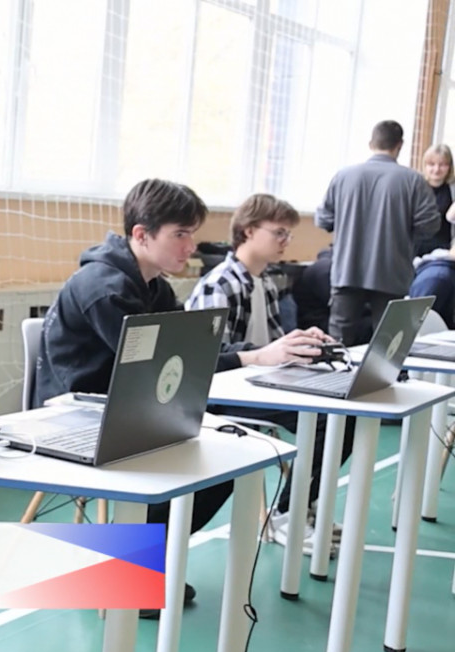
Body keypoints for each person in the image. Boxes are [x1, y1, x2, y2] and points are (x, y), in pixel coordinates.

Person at [32, 178, 325, 617]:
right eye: (180, 234)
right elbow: (162, 368)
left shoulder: (155, 285)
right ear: (141, 235)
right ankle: (121, 567)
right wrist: (253, 357)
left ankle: (132, 561)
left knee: (232, 460)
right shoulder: (105, 287)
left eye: (192, 234)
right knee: (212, 460)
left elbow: (187, 356)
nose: (191, 247)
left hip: (131, 406)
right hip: (79, 415)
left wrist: (256, 356)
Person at [186, 194, 351, 553]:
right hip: (222, 396)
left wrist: (302, 344)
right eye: (279, 233)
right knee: (326, 421)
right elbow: (209, 358)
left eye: (288, 234)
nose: (285, 241)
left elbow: (273, 347)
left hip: (258, 387)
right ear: (248, 231)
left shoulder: (266, 281)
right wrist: (266, 354)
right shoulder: (220, 284)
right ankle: (287, 515)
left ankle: (300, 506)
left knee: (344, 414)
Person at [316, 120, 440, 345]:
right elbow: (430, 226)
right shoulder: (413, 180)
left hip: (347, 271)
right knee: (388, 347)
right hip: (392, 274)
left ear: (371, 143)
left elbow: (323, 220)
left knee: (337, 344)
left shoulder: (343, 176)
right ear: (399, 145)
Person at [414, 143, 455, 257]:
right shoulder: (415, 187)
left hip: (444, 250)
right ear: (425, 165)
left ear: (449, 167)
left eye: (442, 165)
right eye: (431, 164)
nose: (436, 169)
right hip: (415, 248)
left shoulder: (452, 189)